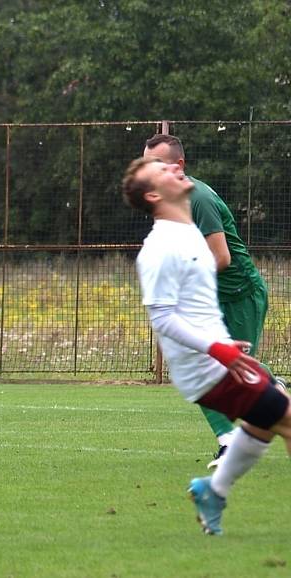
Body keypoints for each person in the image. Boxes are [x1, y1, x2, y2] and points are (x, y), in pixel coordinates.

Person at [122, 156, 291, 535]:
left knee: (266, 422)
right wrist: (218, 350)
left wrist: (223, 341)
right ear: (153, 194)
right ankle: (215, 490)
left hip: (218, 357)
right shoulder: (160, 246)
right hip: (207, 368)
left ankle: (213, 490)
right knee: (287, 418)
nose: (171, 168)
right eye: (160, 171)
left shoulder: (188, 232)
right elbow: (162, 317)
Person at [143, 134, 283, 469]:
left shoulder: (198, 198)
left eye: (157, 165)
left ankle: (268, 401)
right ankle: (234, 434)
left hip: (239, 295)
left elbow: (220, 257)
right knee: (198, 362)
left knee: (221, 369)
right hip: (216, 297)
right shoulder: (168, 201)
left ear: (178, 167)